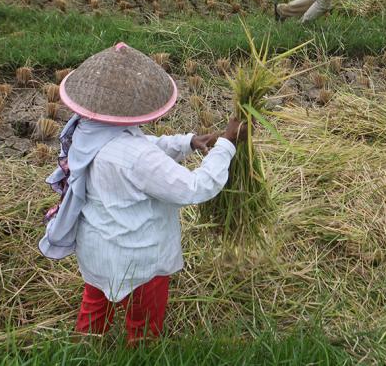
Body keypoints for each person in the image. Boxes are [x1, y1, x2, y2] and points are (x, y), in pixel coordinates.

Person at [38, 42, 248, 344]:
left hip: (98, 248)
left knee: (95, 306)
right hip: (140, 259)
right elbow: (194, 188)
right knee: (144, 321)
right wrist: (227, 144)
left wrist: (187, 142)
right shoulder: (136, 157)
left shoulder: (86, 132)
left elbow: (142, 145)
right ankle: (140, 352)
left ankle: (84, 350)